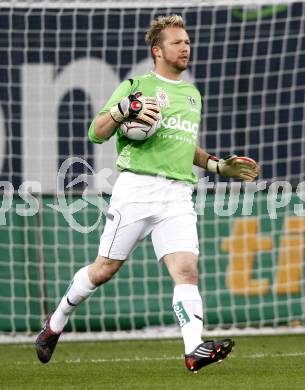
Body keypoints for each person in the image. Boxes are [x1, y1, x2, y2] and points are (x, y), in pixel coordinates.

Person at [35, 15, 258, 373]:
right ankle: (55, 322)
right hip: (137, 188)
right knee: (104, 270)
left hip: (178, 193)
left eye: (187, 41)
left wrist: (217, 165)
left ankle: (193, 350)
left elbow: (185, 144)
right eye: (177, 42)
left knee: (186, 271)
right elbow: (96, 131)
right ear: (157, 50)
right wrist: (125, 110)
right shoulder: (135, 85)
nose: (185, 47)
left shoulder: (191, 94)